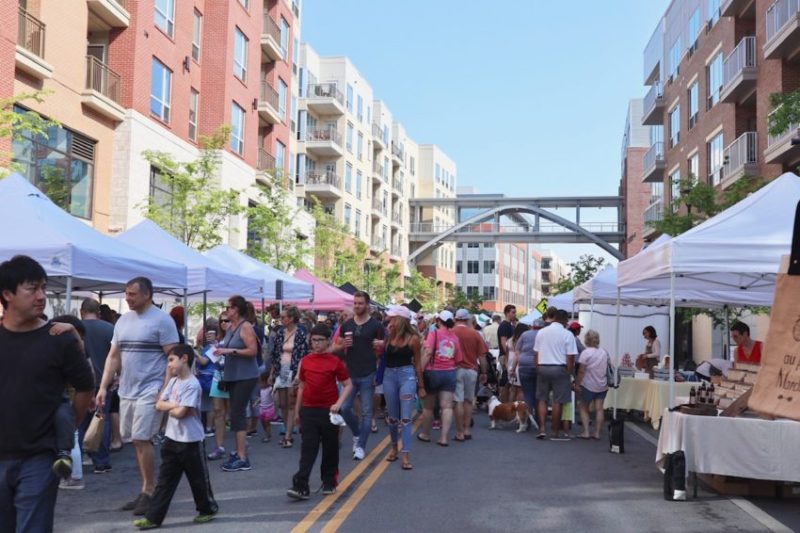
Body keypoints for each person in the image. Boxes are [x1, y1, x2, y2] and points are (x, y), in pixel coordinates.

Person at [0, 255, 94, 532]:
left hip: (40, 457)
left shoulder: (59, 337)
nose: (41, 296)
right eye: (32, 288)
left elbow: (86, 387)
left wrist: (67, 429)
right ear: (7, 294)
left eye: (43, 287)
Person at [95, 277, 179, 516]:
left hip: (150, 389)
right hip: (126, 390)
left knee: (142, 438)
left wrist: (164, 390)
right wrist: (103, 387)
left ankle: (149, 491)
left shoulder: (163, 321)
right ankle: (147, 489)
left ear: (147, 295)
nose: (127, 298)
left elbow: (172, 360)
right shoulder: (122, 320)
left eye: (132, 294)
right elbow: (113, 356)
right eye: (126, 293)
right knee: (135, 440)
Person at [133, 345, 218, 529]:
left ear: (184, 358)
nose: (169, 365)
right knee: (165, 480)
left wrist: (169, 405)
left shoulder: (192, 384)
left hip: (191, 441)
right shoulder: (172, 382)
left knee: (198, 480)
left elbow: (181, 412)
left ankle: (207, 509)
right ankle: (153, 517)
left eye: (171, 360)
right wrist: (172, 405)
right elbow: (158, 405)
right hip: (171, 439)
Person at [287, 324, 353, 500]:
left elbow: (348, 384)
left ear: (328, 342)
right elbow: (301, 386)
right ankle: (301, 485)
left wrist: (338, 403)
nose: (316, 344)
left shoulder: (335, 362)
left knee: (330, 447)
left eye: (320, 340)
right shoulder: (306, 361)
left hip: (329, 411)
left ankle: (329, 480)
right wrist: (297, 412)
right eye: (313, 340)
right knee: (308, 448)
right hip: (309, 410)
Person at [333, 291, 384, 461]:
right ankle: (357, 434)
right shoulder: (347, 325)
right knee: (344, 408)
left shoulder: (376, 325)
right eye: (355, 303)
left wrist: (381, 345)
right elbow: (337, 345)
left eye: (360, 303)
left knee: (367, 412)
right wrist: (341, 345)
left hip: (368, 372)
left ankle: (361, 446)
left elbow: (387, 346)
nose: (357, 306)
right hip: (350, 374)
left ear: (367, 305)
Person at [215, 295, 260, 472]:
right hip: (233, 375)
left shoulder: (246, 326)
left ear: (237, 310)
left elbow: (252, 351)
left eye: (230, 308)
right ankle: (239, 451)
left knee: (237, 414)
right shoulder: (230, 327)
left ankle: (242, 457)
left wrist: (229, 350)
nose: (227, 310)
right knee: (235, 414)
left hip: (245, 376)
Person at [382, 305, 422, 469]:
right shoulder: (388, 336)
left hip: (407, 375)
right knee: (392, 418)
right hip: (389, 376)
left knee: (405, 418)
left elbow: (418, 364)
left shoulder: (413, 339)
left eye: (392, 318)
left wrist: (422, 386)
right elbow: (383, 359)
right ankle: (394, 448)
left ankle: (405, 455)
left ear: (400, 320)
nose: (389, 320)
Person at [79, 298, 115, 475]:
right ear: (99, 312)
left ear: (81, 311)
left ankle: (77, 460)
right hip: (104, 382)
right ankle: (102, 462)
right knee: (102, 420)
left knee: (79, 422)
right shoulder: (110, 329)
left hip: (80, 383)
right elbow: (116, 356)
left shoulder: (76, 328)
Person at [418, 311, 463, 447]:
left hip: (433, 372)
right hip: (449, 373)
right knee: (447, 406)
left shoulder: (434, 334)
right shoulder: (455, 338)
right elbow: (459, 360)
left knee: (428, 407)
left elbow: (428, 352)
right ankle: (443, 438)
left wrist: (419, 369)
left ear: (438, 321)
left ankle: (426, 434)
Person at [533, 309, 577, 441]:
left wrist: (538, 367)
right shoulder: (567, 334)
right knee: (558, 401)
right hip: (560, 369)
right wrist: (569, 372)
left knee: (542, 399)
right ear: (564, 320)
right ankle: (555, 431)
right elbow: (570, 357)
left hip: (543, 367)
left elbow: (536, 353)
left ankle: (541, 429)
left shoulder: (541, 332)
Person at [269, 305, 309, 448]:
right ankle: (287, 430)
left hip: (293, 369)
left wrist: (299, 374)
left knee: (292, 403)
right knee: (283, 404)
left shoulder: (300, 333)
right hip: (281, 370)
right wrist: (271, 373)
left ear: (291, 318)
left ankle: (288, 436)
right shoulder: (280, 333)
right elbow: (275, 354)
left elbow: (303, 356)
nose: (281, 319)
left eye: (284, 317)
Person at [452, 309, 488, 442]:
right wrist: (484, 372)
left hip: (456, 369)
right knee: (468, 400)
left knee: (458, 401)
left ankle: (459, 432)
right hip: (472, 370)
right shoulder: (475, 334)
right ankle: (467, 430)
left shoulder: (451, 332)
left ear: (455, 319)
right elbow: (482, 356)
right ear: (467, 320)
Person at [574, 330, 609, 440]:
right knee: (599, 408)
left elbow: (581, 371)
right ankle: (597, 433)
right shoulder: (604, 352)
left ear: (586, 339)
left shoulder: (586, 352)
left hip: (588, 384)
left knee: (583, 407)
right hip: (602, 384)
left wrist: (577, 384)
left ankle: (586, 432)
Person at [206, 315, 230, 460]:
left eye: (226, 320)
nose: (223, 323)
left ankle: (241, 443)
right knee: (218, 411)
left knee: (234, 412)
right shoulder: (219, 340)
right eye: (221, 320)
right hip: (219, 377)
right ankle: (219, 446)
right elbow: (212, 359)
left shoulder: (237, 337)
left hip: (233, 377)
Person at [514, 319, 546, 412]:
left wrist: (520, 358)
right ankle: (538, 420)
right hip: (539, 365)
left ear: (532, 326)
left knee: (527, 393)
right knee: (539, 394)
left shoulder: (525, 334)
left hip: (524, 365)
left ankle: (527, 418)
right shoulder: (544, 335)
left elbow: (517, 349)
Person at [497, 305, 517, 402]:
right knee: (506, 378)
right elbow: (503, 342)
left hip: (509, 355)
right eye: (513, 312)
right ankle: (502, 400)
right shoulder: (504, 325)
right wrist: (508, 356)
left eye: (514, 312)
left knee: (508, 379)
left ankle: (505, 400)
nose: (514, 314)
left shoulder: (511, 325)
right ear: (507, 313)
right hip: (505, 355)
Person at [507, 323, 531, 403]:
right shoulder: (523, 341)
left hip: (510, 364)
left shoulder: (510, 340)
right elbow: (518, 356)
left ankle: (510, 407)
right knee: (521, 389)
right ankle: (518, 408)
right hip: (519, 365)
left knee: (512, 389)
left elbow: (507, 354)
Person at [258, 372, 274, 443]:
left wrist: (271, 383)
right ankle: (266, 433)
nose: (261, 384)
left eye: (262, 382)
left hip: (269, 408)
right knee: (262, 422)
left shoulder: (270, 389)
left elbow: (274, 391)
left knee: (267, 422)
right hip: (262, 408)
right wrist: (256, 402)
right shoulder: (261, 390)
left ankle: (268, 435)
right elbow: (261, 397)